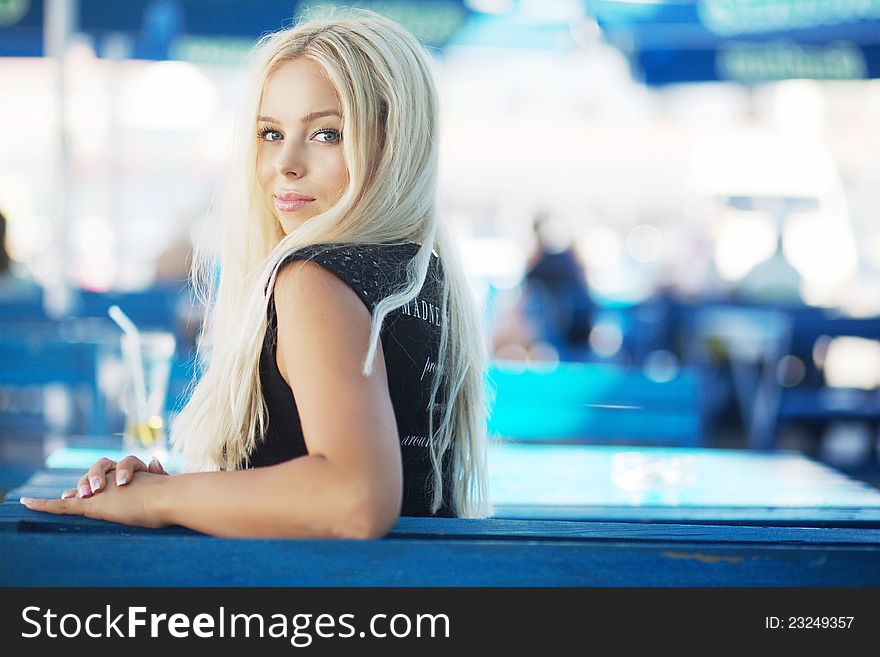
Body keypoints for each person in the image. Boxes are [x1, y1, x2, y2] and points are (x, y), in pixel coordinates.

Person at [20, 10, 492, 538]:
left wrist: (161, 500)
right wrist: (177, 496)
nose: (284, 163)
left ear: (395, 144)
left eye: (327, 134)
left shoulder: (314, 279)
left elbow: (356, 499)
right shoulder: (424, 278)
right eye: (270, 132)